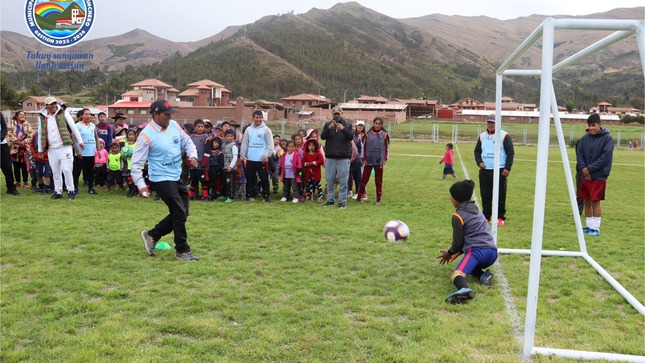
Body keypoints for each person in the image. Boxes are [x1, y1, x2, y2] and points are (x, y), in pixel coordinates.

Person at [132, 99, 199, 261]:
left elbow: (187, 141)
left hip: (177, 175)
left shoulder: (174, 126)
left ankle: (152, 235)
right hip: (161, 179)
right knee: (179, 212)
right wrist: (141, 186)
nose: (169, 117)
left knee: (183, 213)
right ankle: (182, 250)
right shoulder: (146, 135)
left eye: (171, 114)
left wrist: (193, 155)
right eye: (166, 114)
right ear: (155, 114)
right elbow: (136, 164)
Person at [437, 179, 498, 304]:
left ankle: (463, 289)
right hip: (492, 252)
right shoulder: (476, 211)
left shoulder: (458, 215)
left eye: (452, 196)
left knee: (457, 275)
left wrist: (450, 252)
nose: (450, 199)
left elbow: (458, 242)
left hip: (477, 252)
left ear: (457, 199)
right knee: (471, 267)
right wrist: (458, 253)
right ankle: (484, 276)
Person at [37, 97, 84, 200]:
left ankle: (71, 190)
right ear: (46, 106)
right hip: (51, 148)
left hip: (64, 146)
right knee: (55, 171)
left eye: (55, 103)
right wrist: (40, 148)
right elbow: (40, 132)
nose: (54, 105)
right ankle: (58, 191)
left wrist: (80, 141)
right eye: (51, 104)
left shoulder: (63, 113)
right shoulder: (42, 116)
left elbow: (73, 127)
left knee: (67, 169)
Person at [576, 113, 614, 237]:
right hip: (585, 175)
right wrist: (583, 169)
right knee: (586, 201)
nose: (591, 128)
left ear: (600, 125)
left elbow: (605, 157)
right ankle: (589, 225)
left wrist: (590, 169)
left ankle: (596, 228)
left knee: (595, 202)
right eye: (589, 125)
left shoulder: (607, 139)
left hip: (599, 176)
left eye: (594, 125)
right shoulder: (585, 138)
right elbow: (579, 153)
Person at [474, 114, 514, 226]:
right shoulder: (482, 136)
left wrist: (507, 168)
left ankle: (500, 217)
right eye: (489, 122)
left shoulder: (504, 135)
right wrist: (479, 162)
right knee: (485, 194)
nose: (491, 125)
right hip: (485, 171)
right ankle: (486, 217)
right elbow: (477, 151)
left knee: (500, 195)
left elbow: (510, 153)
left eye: (493, 123)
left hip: (500, 171)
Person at [321, 106, 353, 209]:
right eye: (335, 114)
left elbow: (350, 137)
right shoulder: (327, 125)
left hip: (343, 157)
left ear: (342, 114)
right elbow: (322, 137)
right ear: (332, 115)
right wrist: (329, 128)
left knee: (343, 181)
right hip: (330, 156)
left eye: (338, 113)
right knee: (330, 180)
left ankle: (342, 202)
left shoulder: (348, 125)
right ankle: (330, 201)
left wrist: (343, 129)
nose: (337, 115)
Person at [240, 110, 273, 202]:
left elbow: (270, 145)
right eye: (257, 117)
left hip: (261, 159)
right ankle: (249, 195)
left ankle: (266, 196)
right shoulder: (248, 130)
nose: (258, 119)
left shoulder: (266, 130)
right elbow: (244, 143)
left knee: (264, 179)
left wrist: (266, 155)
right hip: (250, 159)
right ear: (253, 118)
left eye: (260, 117)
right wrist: (242, 156)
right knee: (250, 178)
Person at [357, 117, 390, 205]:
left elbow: (386, 148)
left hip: (379, 161)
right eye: (376, 123)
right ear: (373, 124)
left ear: (382, 125)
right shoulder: (367, 134)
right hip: (368, 160)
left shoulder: (385, 135)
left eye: (379, 124)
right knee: (364, 179)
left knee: (378, 181)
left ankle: (378, 198)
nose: (377, 125)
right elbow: (364, 147)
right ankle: (359, 196)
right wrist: (364, 159)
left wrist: (385, 159)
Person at [74, 108, 100, 195]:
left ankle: (91, 188)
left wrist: (98, 149)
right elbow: (73, 138)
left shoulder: (93, 126)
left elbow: (96, 138)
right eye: (86, 114)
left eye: (89, 114)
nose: (88, 116)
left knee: (91, 171)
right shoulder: (77, 126)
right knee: (77, 171)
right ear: (82, 116)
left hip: (91, 153)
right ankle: (75, 188)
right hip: (80, 153)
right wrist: (77, 150)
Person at [7, 111, 33, 189]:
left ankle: (25, 182)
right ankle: (17, 181)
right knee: (16, 166)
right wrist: (17, 141)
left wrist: (23, 142)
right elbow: (9, 135)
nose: (23, 116)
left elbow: (31, 135)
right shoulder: (11, 125)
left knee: (24, 165)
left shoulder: (27, 125)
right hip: (14, 149)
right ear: (16, 116)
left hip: (24, 149)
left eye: (24, 115)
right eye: (21, 114)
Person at [189, 119, 210, 200]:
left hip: (203, 164)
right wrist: (189, 159)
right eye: (198, 126)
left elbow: (207, 150)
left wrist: (205, 161)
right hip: (193, 163)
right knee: (193, 181)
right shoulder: (191, 137)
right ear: (195, 127)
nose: (200, 128)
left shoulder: (206, 137)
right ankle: (190, 196)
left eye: (202, 127)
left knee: (204, 181)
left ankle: (205, 197)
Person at [1, 113, 19, 195]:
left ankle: (11, 188)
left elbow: (4, 127)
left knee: (7, 167)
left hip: (2, 145)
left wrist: (1, 136)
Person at [303, 138, 325, 203]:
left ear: (316, 146)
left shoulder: (318, 153)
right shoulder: (306, 154)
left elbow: (321, 161)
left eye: (313, 145)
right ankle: (309, 195)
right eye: (309, 145)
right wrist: (306, 163)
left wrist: (314, 163)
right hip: (308, 173)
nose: (311, 147)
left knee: (317, 185)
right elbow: (303, 161)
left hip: (316, 173)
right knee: (309, 184)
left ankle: (320, 196)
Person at [349, 121, 366, 199]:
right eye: (359, 125)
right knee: (349, 177)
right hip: (349, 159)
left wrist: (361, 158)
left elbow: (361, 148)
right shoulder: (352, 135)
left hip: (358, 160)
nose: (360, 127)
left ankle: (359, 192)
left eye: (361, 126)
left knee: (358, 177)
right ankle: (349, 191)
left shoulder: (364, 136)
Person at [221, 129, 239, 203]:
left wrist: (231, 166)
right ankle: (224, 195)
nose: (229, 138)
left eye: (231, 136)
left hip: (230, 168)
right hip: (224, 167)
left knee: (230, 183)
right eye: (227, 136)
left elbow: (235, 157)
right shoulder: (223, 145)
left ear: (234, 137)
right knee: (224, 182)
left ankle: (230, 196)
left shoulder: (234, 146)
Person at [205, 137, 224, 201]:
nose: (216, 144)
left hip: (214, 169)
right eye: (215, 142)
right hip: (208, 168)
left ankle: (214, 195)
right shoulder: (208, 151)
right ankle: (206, 194)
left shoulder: (219, 153)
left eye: (218, 143)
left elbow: (221, 163)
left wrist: (217, 169)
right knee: (207, 182)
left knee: (214, 183)